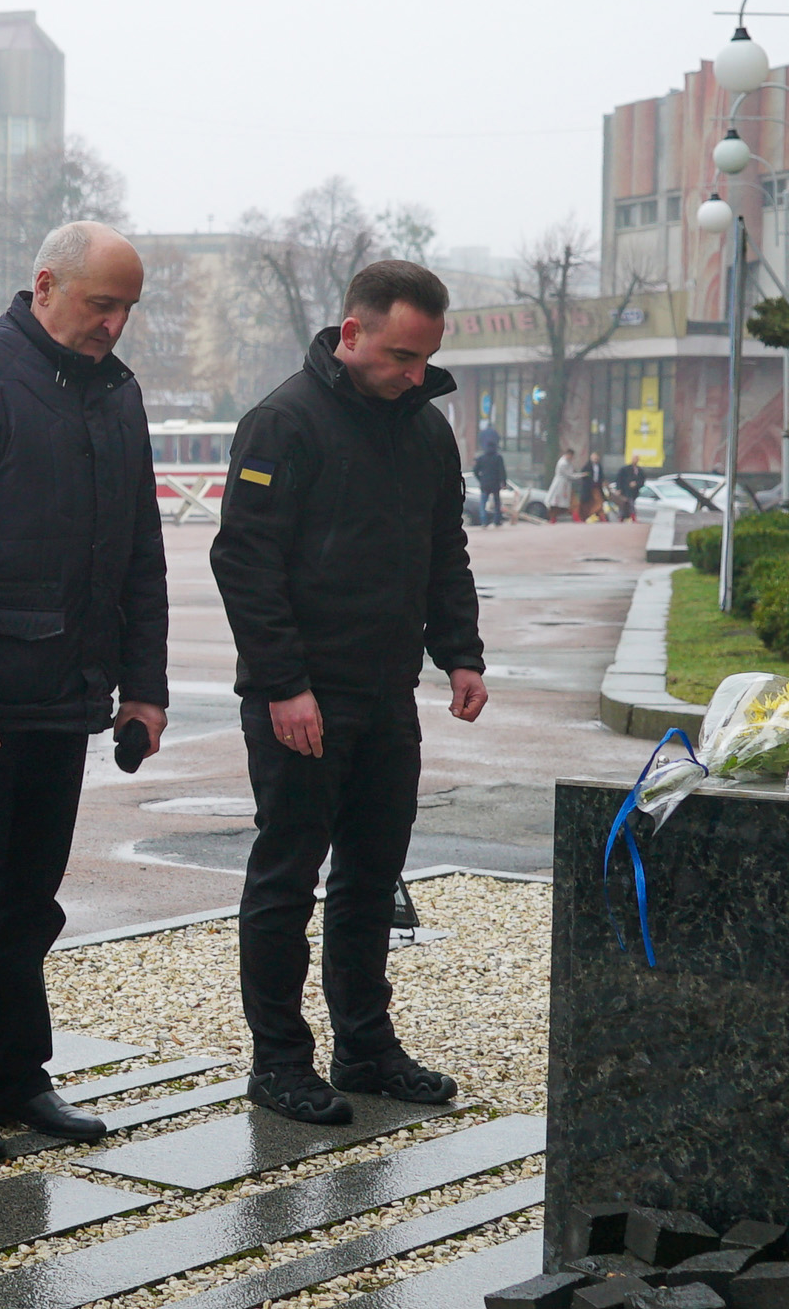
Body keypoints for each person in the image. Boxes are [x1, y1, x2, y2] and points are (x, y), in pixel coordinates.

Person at [0, 221, 169, 1159]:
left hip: (66, 691)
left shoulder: (116, 392)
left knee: (31, 899)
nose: (116, 324)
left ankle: (18, 1075)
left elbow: (140, 544)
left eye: (128, 307)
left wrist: (146, 684)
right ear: (46, 284)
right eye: (103, 304)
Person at [210, 261, 487, 1128]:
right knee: (287, 878)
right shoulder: (283, 422)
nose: (416, 375)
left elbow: (446, 550)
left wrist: (461, 653)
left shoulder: (425, 433)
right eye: (403, 356)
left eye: (427, 359)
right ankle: (279, 1062)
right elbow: (244, 564)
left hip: (385, 692)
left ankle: (365, 1046)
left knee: (372, 876)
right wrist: (283, 685)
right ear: (352, 331)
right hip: (302, 698)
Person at [473, 425, 506, 529]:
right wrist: (503, 482)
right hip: (495, 483)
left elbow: (475, 470)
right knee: (497, 503)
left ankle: (484, 521)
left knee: (483, 503)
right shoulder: (498, 457)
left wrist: (480, 479)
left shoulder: (481, 458)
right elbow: (502, 471)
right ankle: (497, 521)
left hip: (484, 484)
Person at [545, 446, 576, 525]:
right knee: (556, 502)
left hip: (565, 484)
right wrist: (579, 476)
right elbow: (569, 474)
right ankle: (552, 518)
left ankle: (556, 517)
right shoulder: (563, 463)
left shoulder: (568, 462)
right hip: (560, 485)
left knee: (563, 503)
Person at [616, 457, 646, 522]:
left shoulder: (640, 470)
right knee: (627, 504)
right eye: (634, 458)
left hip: (634, 492)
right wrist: (619, 489)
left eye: (637, 459)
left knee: (629, 504)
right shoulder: (625, 469)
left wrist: (636, 484)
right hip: (625, 491)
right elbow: (619, 479)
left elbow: (642, 481)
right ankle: (630, 518)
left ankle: (624, 518)